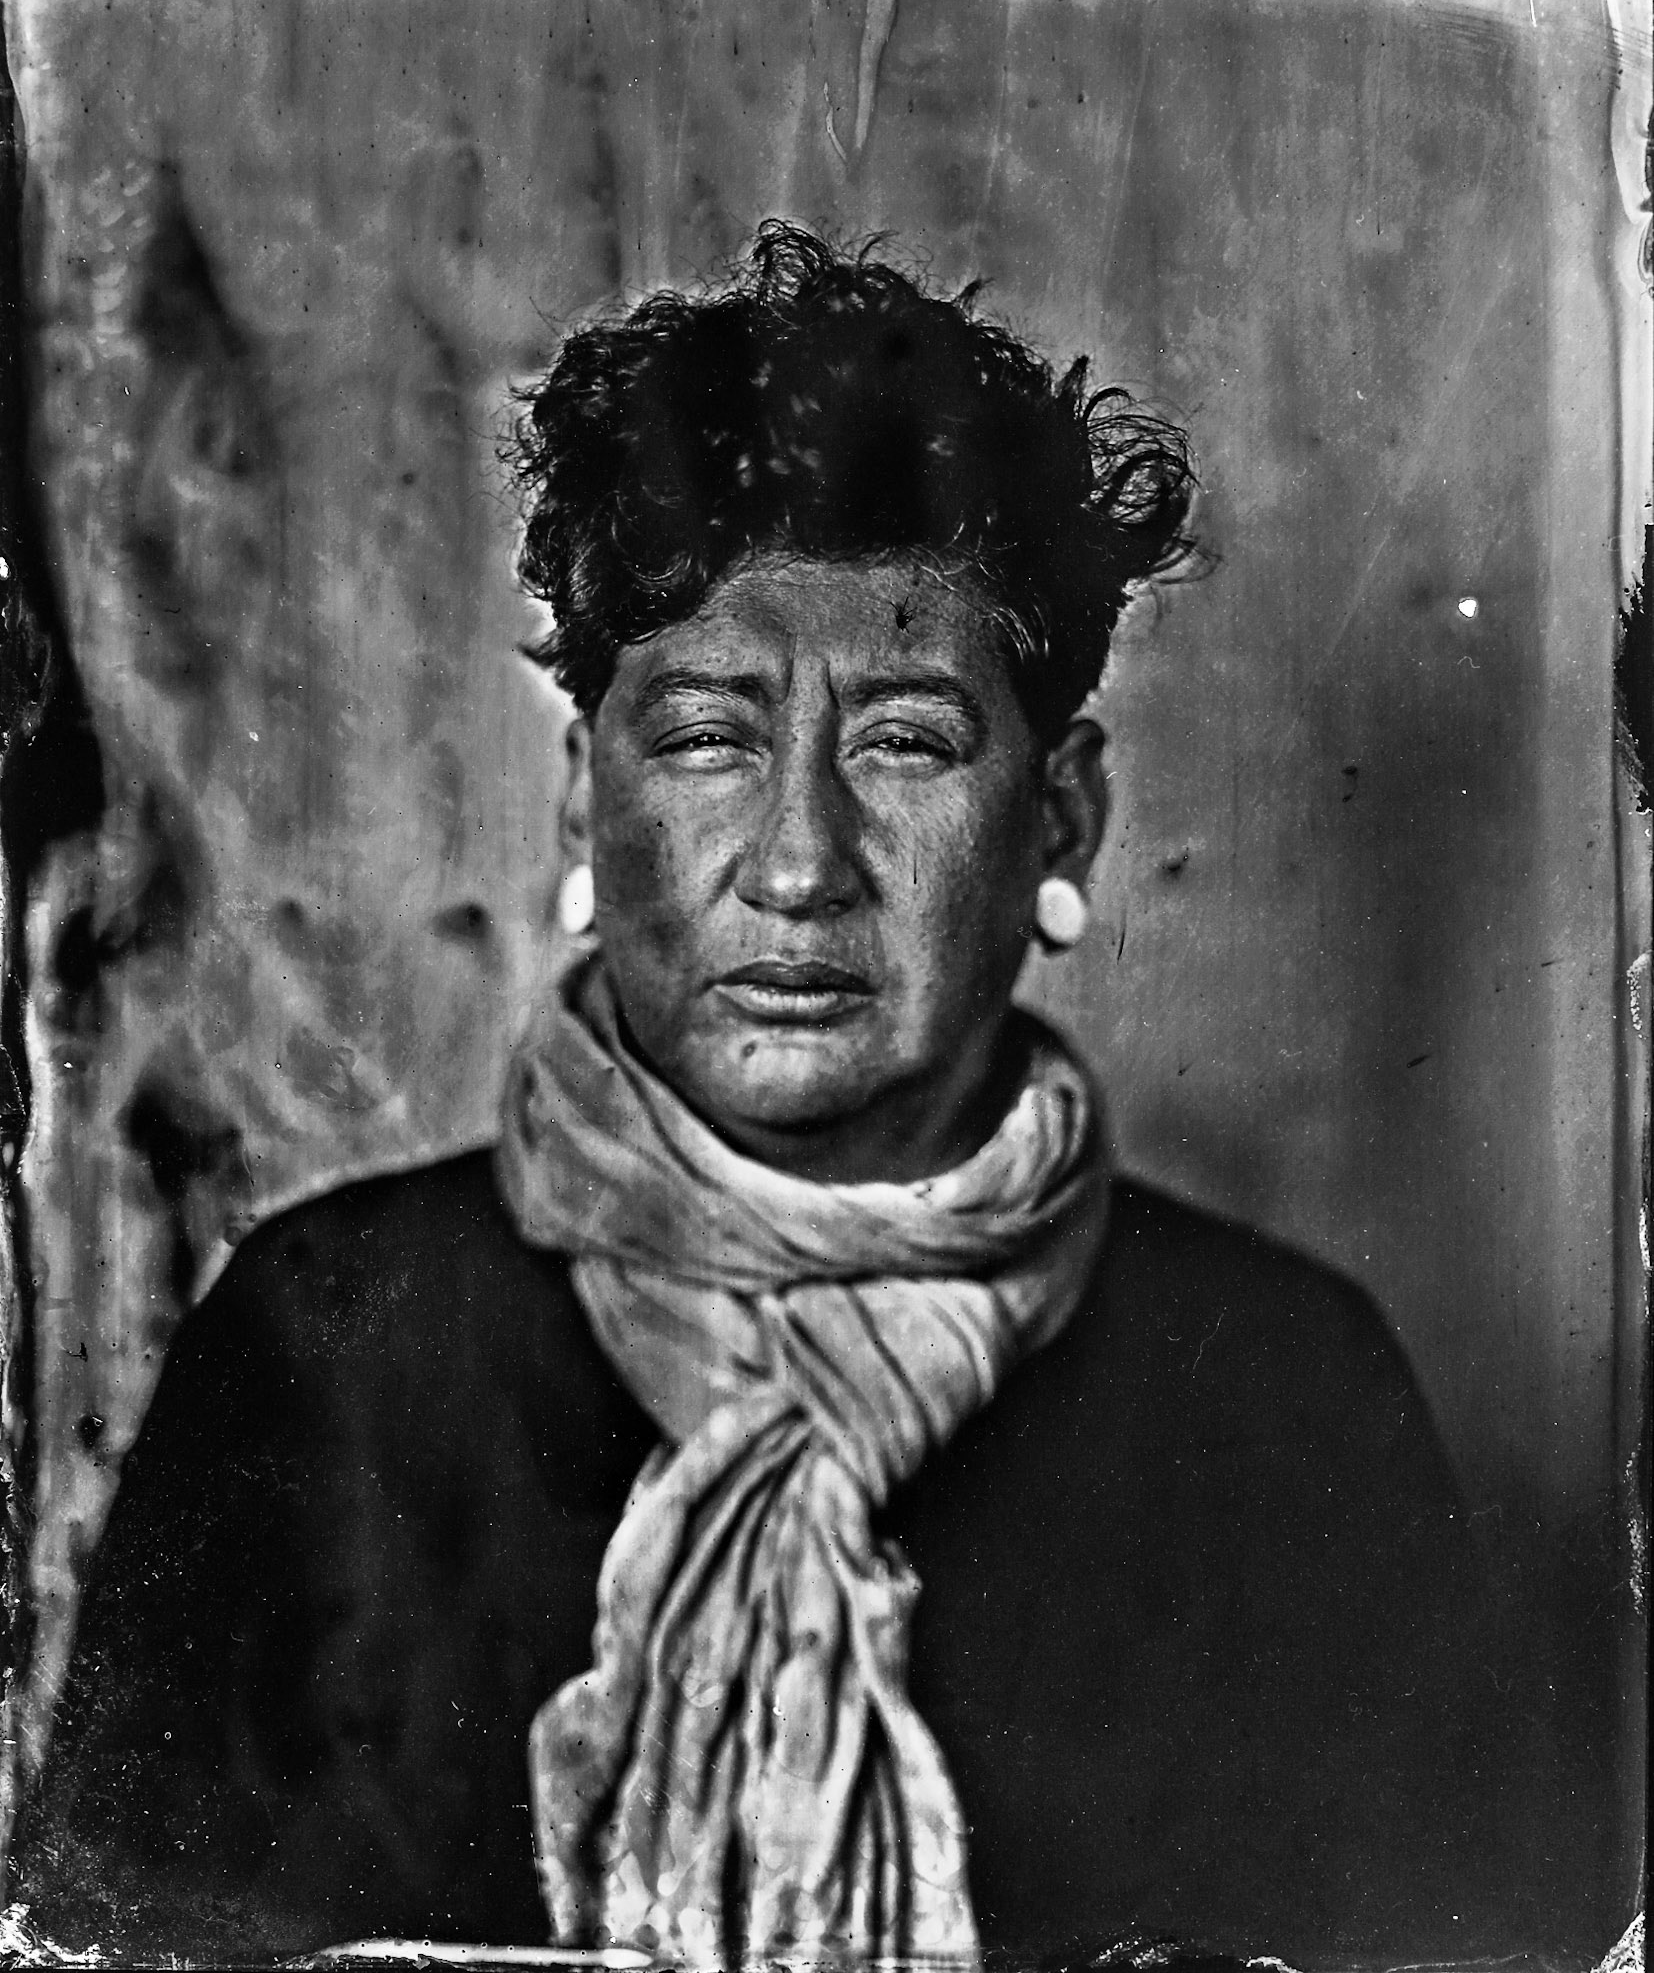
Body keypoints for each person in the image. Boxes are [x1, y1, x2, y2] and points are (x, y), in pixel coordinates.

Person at [10, 226, 1533, 1967]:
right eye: (708, 738)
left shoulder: (1278, 1398)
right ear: (583, 804)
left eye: (904, 741)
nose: (799, 866)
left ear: (1061, 822)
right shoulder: (329, 1352)